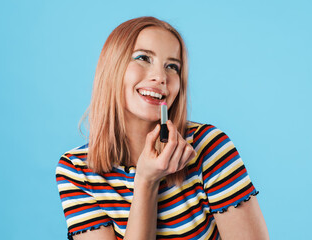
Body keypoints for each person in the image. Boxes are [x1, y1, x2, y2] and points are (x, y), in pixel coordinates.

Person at [56, 16, 269, 240]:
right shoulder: (76, 171)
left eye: (172, 67)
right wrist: (146, 181)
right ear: (112, 67)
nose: (160, 77)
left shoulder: (208, 147)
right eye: (143, 58)